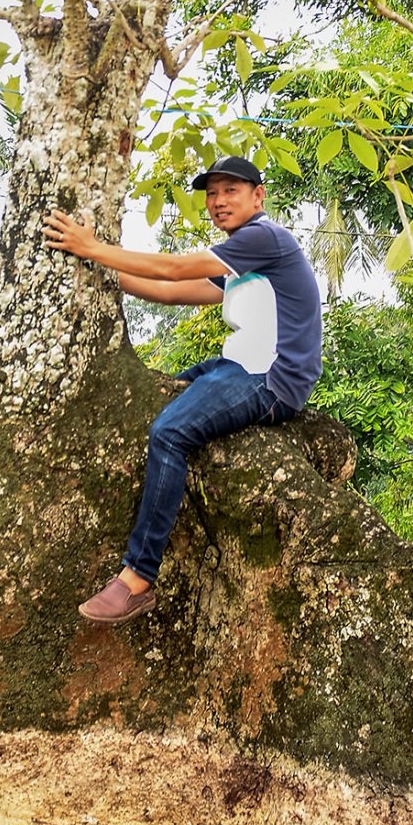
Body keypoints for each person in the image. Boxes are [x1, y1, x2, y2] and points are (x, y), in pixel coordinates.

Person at [43, 154, 322, 625]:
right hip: (237, 365)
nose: (218, 201)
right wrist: (95, 268)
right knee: (167, 389)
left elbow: (173, 270)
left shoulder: (265, 238)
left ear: (258, 196)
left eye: (230, 190)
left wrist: (92, 247)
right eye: (211, 193)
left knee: (169, 432)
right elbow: (172, 293)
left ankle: (137, 579)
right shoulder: (242, 260)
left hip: (269, 380)